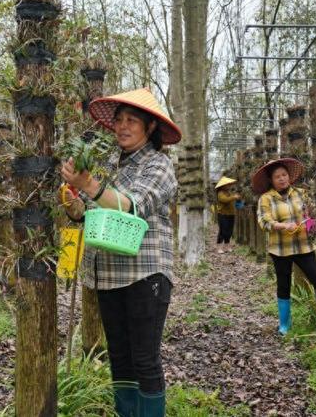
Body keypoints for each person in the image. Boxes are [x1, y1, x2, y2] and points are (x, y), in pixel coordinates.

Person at [59, 88, 179, 417]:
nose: (123, 127)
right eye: (120, 120)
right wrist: (73, 201)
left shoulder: (159, 166)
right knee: (120, 359)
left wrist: (90, 186)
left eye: (132, 121)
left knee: (144, 358)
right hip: (108, 274)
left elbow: (130, 207)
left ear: (150, 127)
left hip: (145, 273)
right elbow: (87, 212)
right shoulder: (111, 163)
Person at [252, 158, 316, 335]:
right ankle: (285, 325)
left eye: (284, 175)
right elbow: (264, 221)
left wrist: (312, 223)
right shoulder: (266, 199)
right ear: (271, 180)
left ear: (289, 176)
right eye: (277, 176)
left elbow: (312, 214)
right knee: (283, 285)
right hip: (280, 250)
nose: (282, 179)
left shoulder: (301, 194)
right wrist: (282, 226)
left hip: (304, 247)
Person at [215, 176, 240, 254]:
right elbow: (224, 200)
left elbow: (232, 201)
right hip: (222, 215)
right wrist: (234, 197)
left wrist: (237, 199)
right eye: (228, 184)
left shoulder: (229, 193)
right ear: (223, 185)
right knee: (223, 231)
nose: (229, 185)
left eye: (230, 184)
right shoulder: (220, 193)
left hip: (231, 214)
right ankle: (219, 247)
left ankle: (227, 247)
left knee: (229, 231)